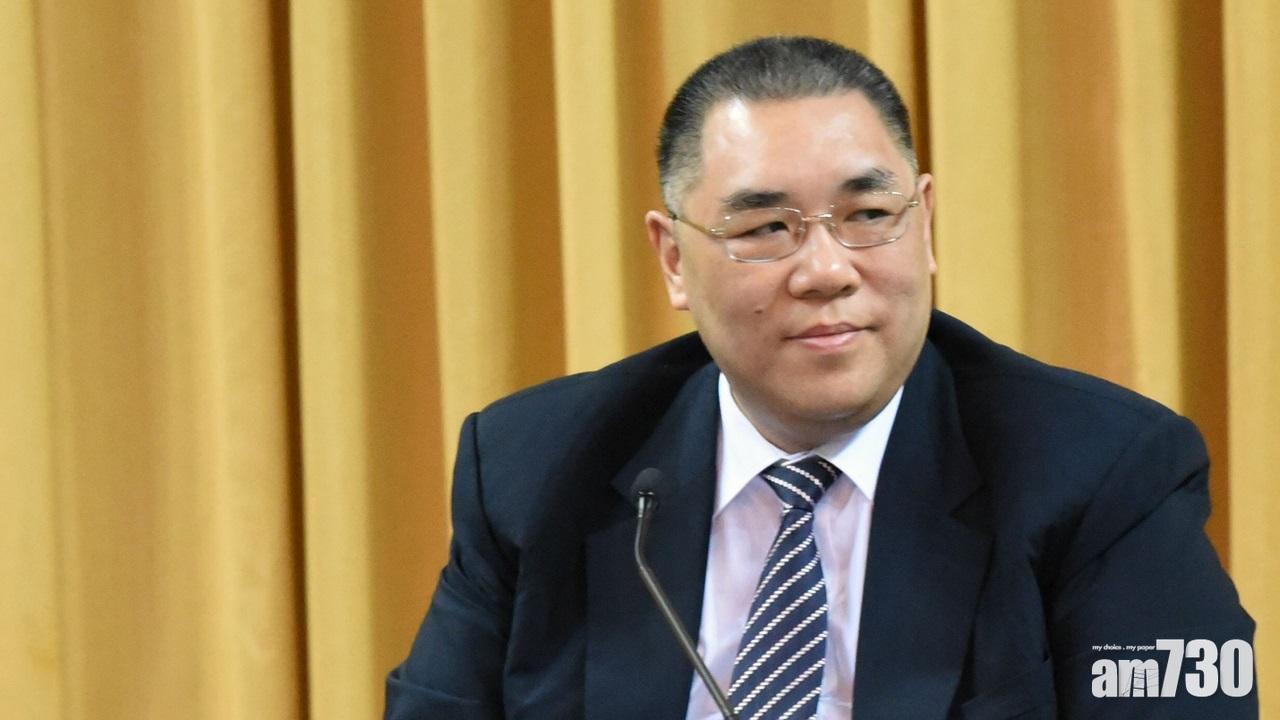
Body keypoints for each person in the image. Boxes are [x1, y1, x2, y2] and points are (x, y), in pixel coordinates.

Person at [385, 36, 1256, 719]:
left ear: (924, 222)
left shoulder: (1101, 473)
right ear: (674, 259)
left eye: (868, 214)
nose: (828, 270)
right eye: (767, 229)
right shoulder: (535, 468)